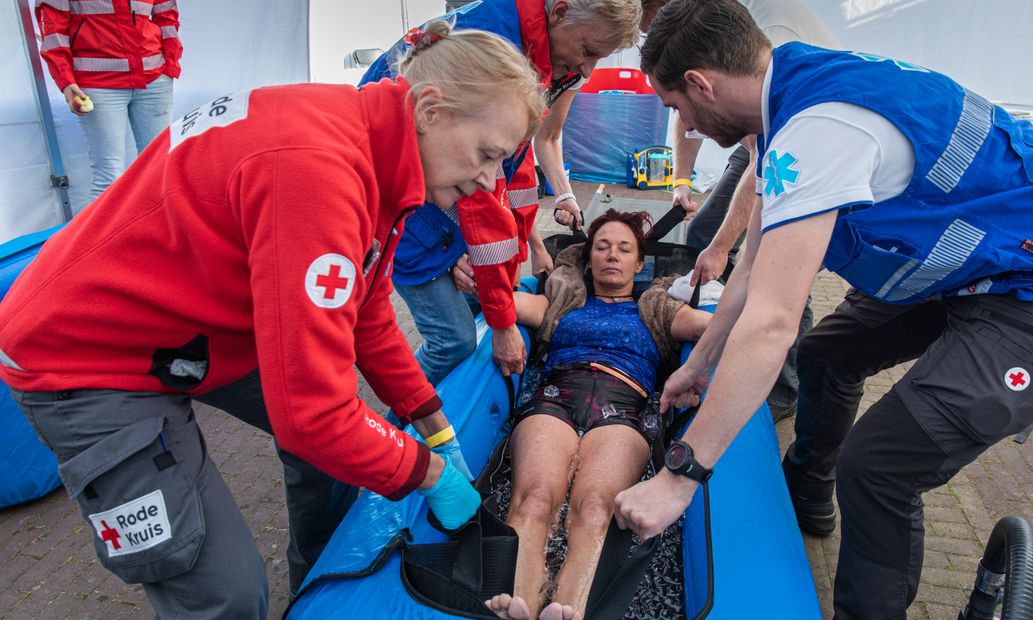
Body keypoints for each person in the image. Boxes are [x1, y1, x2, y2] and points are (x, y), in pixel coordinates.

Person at [0, 22, 545, 618]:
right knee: (224, 594)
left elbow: (364, 309)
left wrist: (430, 418)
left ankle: (320, 595)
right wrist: (429, 473)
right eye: (489, 154)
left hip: (186, 325)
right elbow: (313, 416)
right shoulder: (320, 176)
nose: (491, 180)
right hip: (85, 354)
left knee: (335, 450)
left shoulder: (368, 137)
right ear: (432, 109)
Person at [615, 1, 1033, 618]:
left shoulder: (821, 132)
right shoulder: (785, 87)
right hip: (975, 262)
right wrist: (702, 364)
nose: (682, 127)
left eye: (675, 109)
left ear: (701, 83)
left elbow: (771, 323)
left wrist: (680, 478)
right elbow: (756, 264)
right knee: (827, 354)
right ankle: (808, 491)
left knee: (878, 467)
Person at [359, 0, 641, 386]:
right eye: (588, 51)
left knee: (484, 295)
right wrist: (501, 318)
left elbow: (514, 169)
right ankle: (400, 415)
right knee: (453, 339)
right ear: (558, 12)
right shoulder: (496, 55)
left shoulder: (534, 53)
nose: (588, 70)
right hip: (407, 204)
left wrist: (527, 249)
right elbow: (483, 195)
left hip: (437, 199)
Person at [484, 209, 711, 620]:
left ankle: (568, 608)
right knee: (534, 500)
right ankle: (518, 602)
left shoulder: (655, 307)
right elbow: (506, 302)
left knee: (594, 508)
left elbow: (709, 328)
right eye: (602, 247)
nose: (612, 255)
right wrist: (476, 278)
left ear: (639, 264)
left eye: (624, 249)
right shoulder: (563, 302)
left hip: (623, 406)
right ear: (588, 259)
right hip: (556, 396)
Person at [662, 0, 839, 423]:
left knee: (780, 276)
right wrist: (681, 180)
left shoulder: (774, 41)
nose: (684, 123)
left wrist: (689, 464)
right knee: (710, 235)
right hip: (762, 132)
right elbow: (685, 111)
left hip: (794, 141)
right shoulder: (720, 77)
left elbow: (764, 164)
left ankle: (781, 389)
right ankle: (722, 326)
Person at [35, 0, 182, 199]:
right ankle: (106, 231)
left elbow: (167, 16)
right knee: (108, 178)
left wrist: (170, 66)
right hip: (98, 83)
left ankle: (160, 229)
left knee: (160, 168)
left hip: (154, 79)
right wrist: (66, 81)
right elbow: (53, 30)